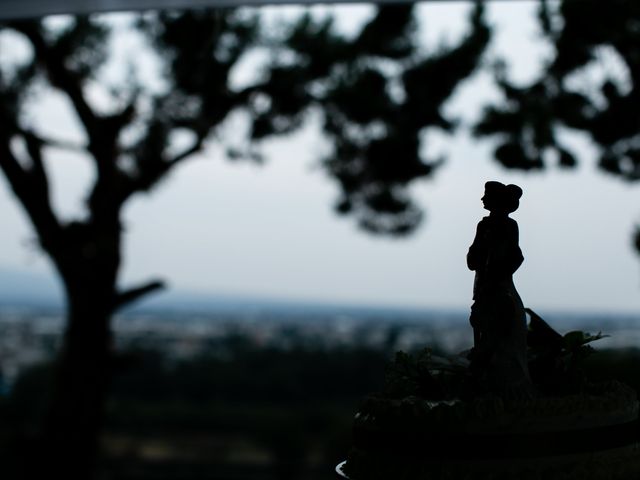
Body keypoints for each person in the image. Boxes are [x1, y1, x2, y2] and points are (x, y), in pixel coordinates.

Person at [467, 181, 532, 397]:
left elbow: (516, 256)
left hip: (499, 285)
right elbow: (473, 258)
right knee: (483, 325)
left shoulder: (508, 226)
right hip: (484, 284)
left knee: (501, 330)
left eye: (487, 196)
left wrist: (498, 273)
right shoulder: (483, 226)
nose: (482, 199)